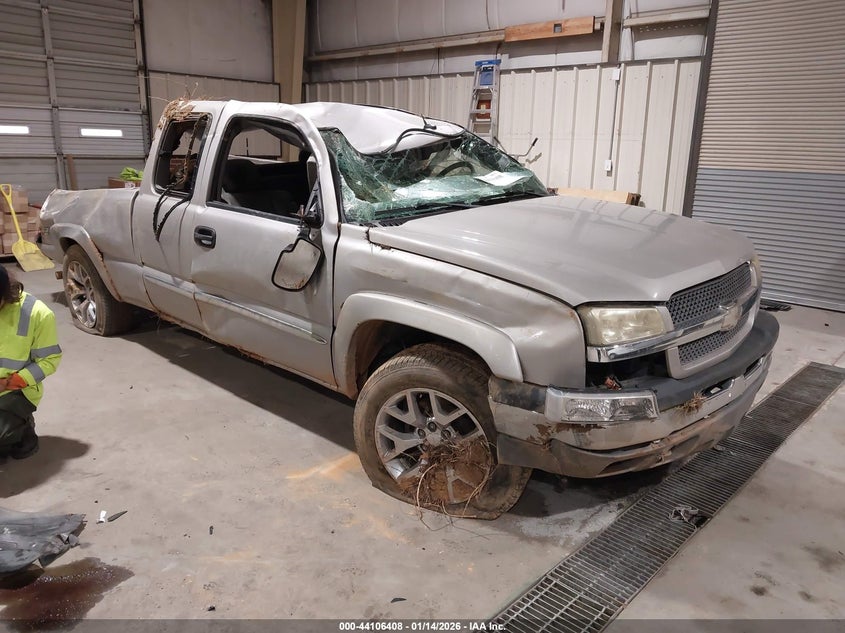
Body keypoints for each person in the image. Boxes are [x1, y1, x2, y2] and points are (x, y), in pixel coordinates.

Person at [0, 266, 61, 460]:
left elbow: (49, 361)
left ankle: (23, 433)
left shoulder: (37, 314)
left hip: (16, 389)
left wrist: (7, 383)